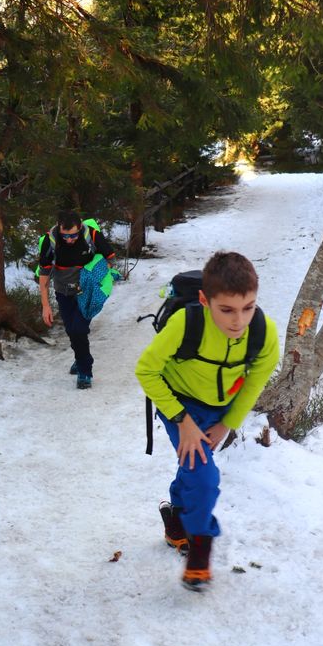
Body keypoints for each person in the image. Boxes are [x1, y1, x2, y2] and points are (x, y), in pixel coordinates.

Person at [135, 251, 279, 591]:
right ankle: (199, 554)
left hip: (220, 410)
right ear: (204, 300)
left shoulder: (263, 332)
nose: (238, 321)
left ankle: (175, 520)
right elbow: (146, 370)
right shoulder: (186, 323)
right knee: (204, 476)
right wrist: (183, 421)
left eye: (248, 307)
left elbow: (256, 379)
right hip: (179, 403)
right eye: (226, 310)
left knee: (193, 467)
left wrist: (228, 423)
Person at [38, 210, 116, 389]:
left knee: (79, 329)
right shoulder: (51, 240)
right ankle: (80, 357)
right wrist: (45, 306)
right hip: (63, 292)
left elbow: (110, 259)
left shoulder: (93, 236)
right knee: (72, 330)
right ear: (59, 227)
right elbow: (44, 274)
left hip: (86, 292)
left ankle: (85, 371)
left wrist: (94, 274)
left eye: (73, 235)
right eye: (66, 236)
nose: (69, 240)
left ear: (80, 227)